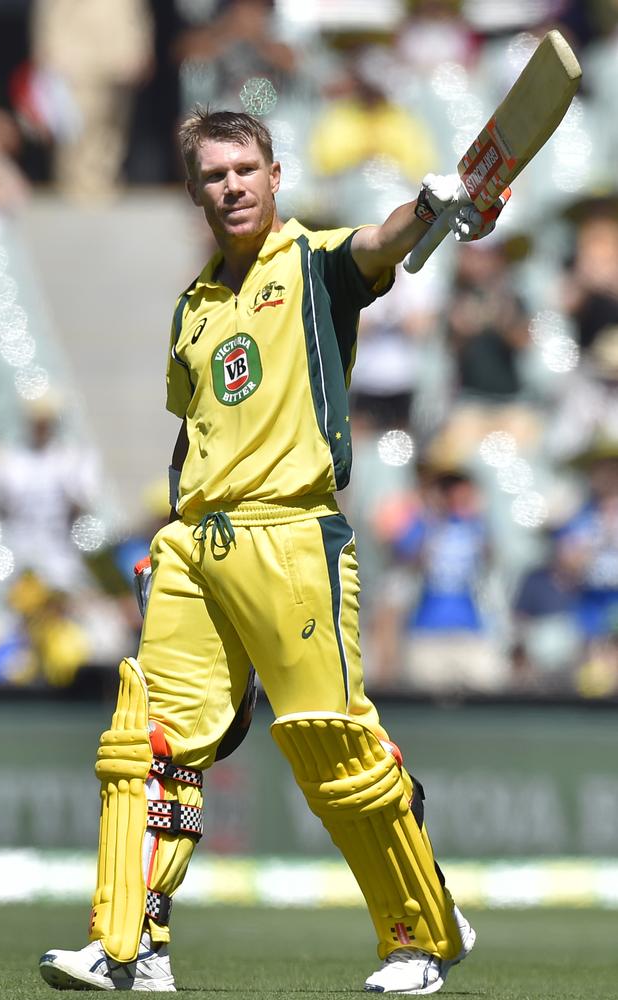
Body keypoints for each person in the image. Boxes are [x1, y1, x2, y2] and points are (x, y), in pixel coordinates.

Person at [38, 109, 502, 994]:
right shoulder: (193, 308)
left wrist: (431, 203)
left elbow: (381, 243)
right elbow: (197, 431)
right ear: (194, 190)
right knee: (154, 743)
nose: (233, 186)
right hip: (196, 544)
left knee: (330, 740)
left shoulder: (316, 264)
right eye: (214, 175)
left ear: (276, 174)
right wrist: (170, 534)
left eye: (246, 169)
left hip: (292, 533)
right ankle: (130, 946)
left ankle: (420, 935)